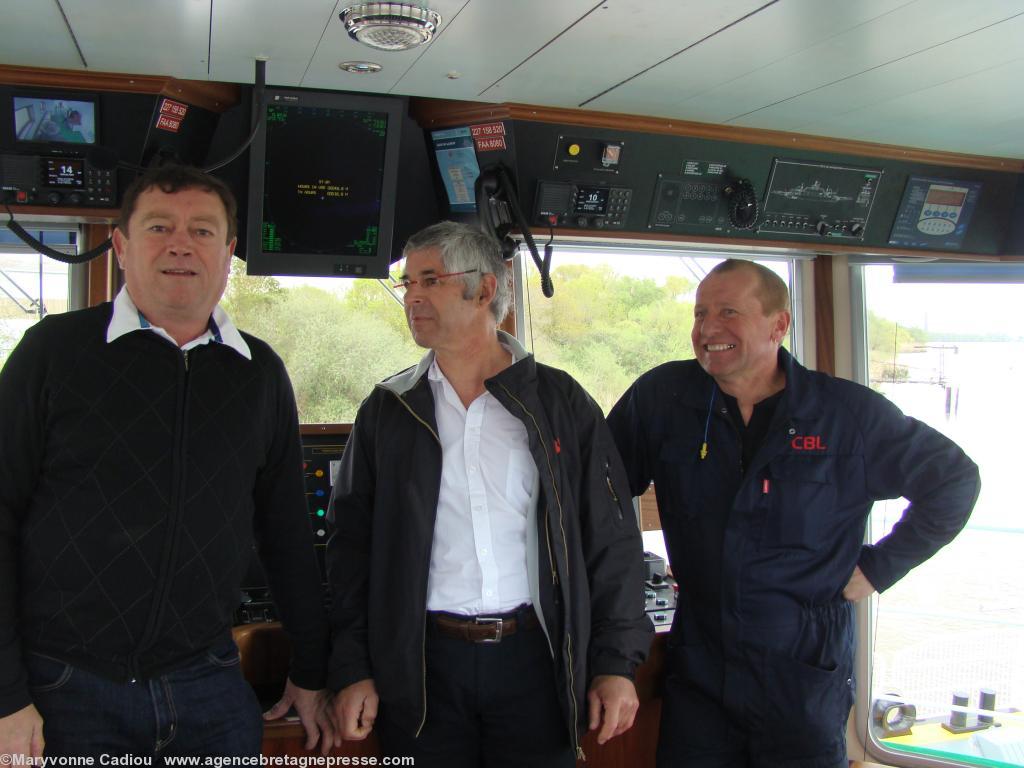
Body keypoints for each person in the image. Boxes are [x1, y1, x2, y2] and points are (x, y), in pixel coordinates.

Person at [0, 165, 334, 759]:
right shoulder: (53, 352)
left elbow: (287, 536)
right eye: (160, 226)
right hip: (66, 684)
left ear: (228, 253)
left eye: (203, 231)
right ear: (123, 246)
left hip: (207, 682)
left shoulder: (258, 373)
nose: (182, 243)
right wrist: (5, 695)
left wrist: (310, 670)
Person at [607, 259, 980, 768]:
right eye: (700, 313)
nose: (708, 328)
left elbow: (954, 480)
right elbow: (599, 493)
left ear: (778, 324)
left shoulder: (847, 416)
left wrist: (879, 567)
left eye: (728, 312)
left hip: (801, 665)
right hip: (702, 658)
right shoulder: (662, 399)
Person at [326, 221, 652, 767]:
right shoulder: (389, 409)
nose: (413, 297)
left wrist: (615, 664)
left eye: (429, 280)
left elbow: (612, 541)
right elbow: (350, 549)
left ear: (482, 289)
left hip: (537, 660)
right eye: (407, 284)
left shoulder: (560, 403)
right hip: (422, 666)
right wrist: (353, 667)